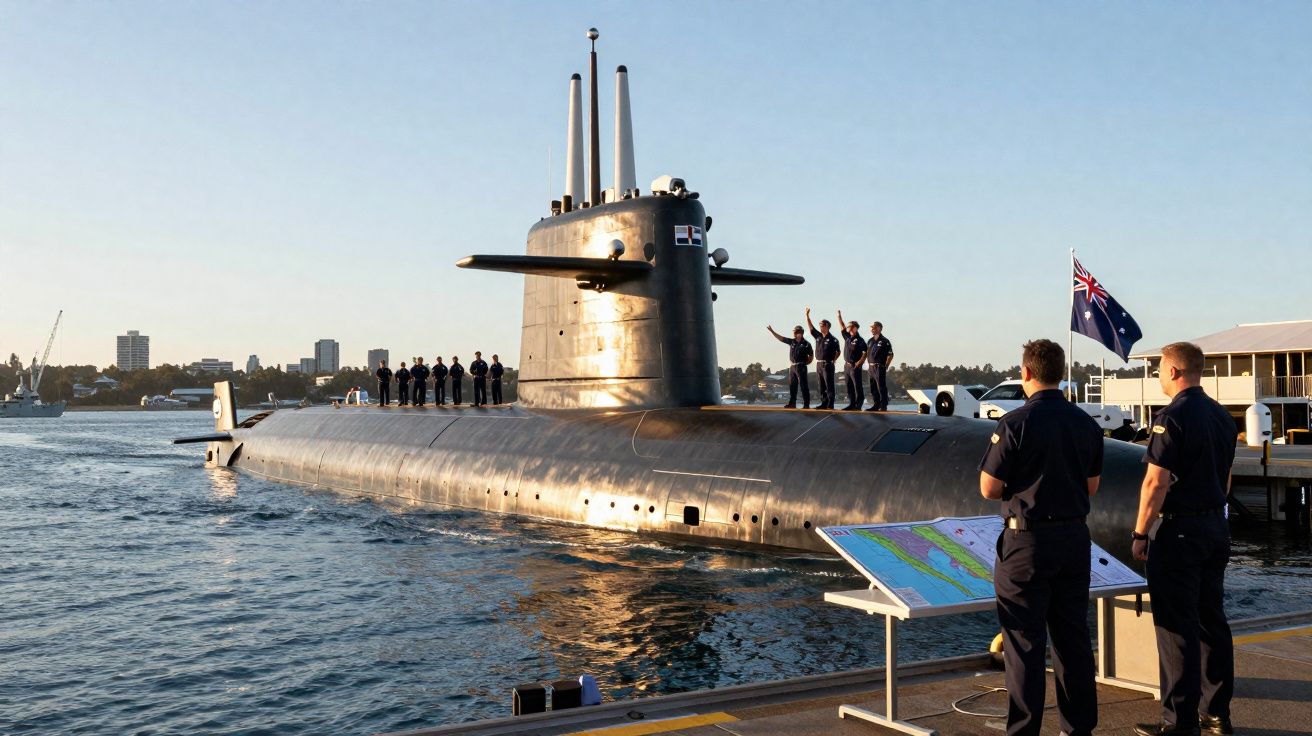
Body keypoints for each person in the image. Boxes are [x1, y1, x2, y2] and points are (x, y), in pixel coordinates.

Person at [978, 338, 1102, 736]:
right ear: (1060, 374)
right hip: (1073, 539)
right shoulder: (1086, 423)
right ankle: (1078, 728)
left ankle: (1024, 731)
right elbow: (1092, 486)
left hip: (1027, 542)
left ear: (1026, 373)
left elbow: (989, 488)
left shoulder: (1015, 423)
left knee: (1023, 643)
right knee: (1072, 638)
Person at [1131, 342, 1237, 736]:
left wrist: (1140, 532)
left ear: (1174, 371)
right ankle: (1217, 714)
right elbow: (1227, 479)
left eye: (1159, 368)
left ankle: (1178, 722)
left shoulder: (1171, 418)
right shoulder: (1221, 416)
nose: (1158, 375)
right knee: (1211, 621)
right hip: (1214, 528)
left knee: (1176, 628)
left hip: (1178, 531)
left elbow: (1155, 482)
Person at [766, 324, 812, 408]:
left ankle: (806, 404)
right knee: (792, 386)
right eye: (794, 332)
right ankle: (792, 403)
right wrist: (772, 331)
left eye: (796, 332)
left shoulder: (806, 344)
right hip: (792, 367)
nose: (794, 334)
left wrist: (805, 363)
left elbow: (811, 356)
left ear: (801, 333)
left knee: (803, 385)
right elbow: (781, 338)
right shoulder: (792, 342)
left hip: (801, 366)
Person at [805, 307, 840, 410]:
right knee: (821, 385)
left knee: (829, 385)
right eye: (820, 326)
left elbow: (838, 352)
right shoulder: (818, 336)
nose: (820, 327)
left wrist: (834, 360)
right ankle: (824, 403)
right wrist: (807, 316)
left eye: (822, 326)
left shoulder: (833, 339)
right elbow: (811, 328)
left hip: (828, 364)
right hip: (819, 364)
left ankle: (830, 404)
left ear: (827, 327)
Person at [836, 309, 866, 411]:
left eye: (850, 327)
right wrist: (839, 317)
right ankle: (851, 404)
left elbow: (865, 352)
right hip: (847, 366)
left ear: (855, 328)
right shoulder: (847, 337)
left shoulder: (860, 340)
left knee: (857, 385)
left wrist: (860, 362)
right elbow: (842, 326)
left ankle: (859, 404)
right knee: (849, 386)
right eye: (848, 327)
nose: (848, 328)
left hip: (855, 366)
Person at [866, 321, 894, 411]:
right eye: (871, 328)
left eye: (874, 328)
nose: (872, 330)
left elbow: (890, 355)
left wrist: (886, 365)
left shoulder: (885, 341)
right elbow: (867, 353)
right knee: (873, 387)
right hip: (871, 367)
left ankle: (883, 405)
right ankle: (876, 404)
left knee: (881, 387)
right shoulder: (870, 341)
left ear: (879, 328)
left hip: (879, 366)